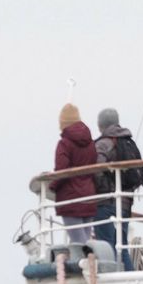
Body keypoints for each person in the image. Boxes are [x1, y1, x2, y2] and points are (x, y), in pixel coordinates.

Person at [92, 108, 143, 271]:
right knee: (122, 248)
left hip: (105, 202)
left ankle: (112, 282)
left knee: (106, 246)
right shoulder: (128, 142)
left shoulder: (103, 144)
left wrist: (97, 191)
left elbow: (96, 169)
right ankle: (130, 279)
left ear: (100, 125)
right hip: (125, 204)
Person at [53, 103, 101, 247]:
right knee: (86, 241)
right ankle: (92, 265)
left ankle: (87, 265)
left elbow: (62, 171)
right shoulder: (91, 143)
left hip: (71, 199)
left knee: (79, 244)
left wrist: (52, 185)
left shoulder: (64, 144)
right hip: (88, 197)